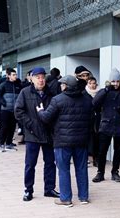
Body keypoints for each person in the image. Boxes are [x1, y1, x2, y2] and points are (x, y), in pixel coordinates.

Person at [37, 75, 93, 207]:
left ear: (66, 86)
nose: (61, 86)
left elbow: (46, 118)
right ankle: (83, 197)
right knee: (81, 168)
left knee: (63, 170)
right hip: (81, 141)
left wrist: (40, 111)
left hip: (62, 142)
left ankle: (66, 199)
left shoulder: (58, 100)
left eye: (62, 84)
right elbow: (91, 119)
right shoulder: (86, 99)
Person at [14, 67, 59, 201]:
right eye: (37, 77)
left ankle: (49, 188)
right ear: (32, 79)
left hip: (48, 134)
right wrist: (31, 125)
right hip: (32, 134)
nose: (41, 80)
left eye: (42, 77)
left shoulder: (51, 93)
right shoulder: (25, 92)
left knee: (50, 163)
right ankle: (28, 190)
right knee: (30, 164)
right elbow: (18, 111)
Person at [92, 68, 120, 183]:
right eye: (113, 81)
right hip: (106, 125)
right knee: (102, 151)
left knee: (118, 151)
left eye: (117, 81)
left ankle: (115, 172)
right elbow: (94, 103)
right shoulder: (104, 92)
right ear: (109, 81)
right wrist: (105, 90)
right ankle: (100, 173)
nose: (115, 84)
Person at [0, 68, 22, 152]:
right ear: (8, 75)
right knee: (4, 127)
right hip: (5, 110)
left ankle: (9, 143)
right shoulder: (3, 84)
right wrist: (3, 103)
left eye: (16, 75)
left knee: (12, 127)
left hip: (14, 110)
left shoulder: (18, 85)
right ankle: (1, 143)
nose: (15, 76)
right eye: (13, 75)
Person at [84, 76, 101, 167]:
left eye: (93, 83)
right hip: (87, 119)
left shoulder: (100, 93)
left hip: (98, 119)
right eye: (90, 83)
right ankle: (86, 158)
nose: (92, 85)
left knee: (97, 139)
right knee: (87, 139)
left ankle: (96, 159)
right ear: (87, 84)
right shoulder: (84, 93)